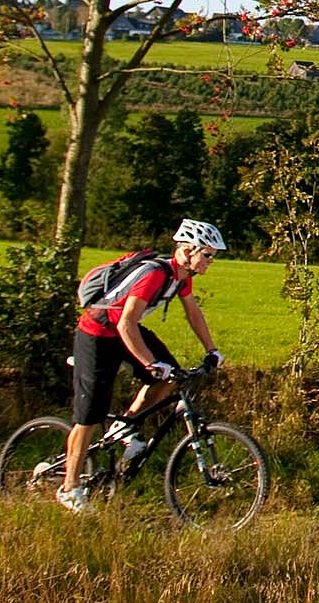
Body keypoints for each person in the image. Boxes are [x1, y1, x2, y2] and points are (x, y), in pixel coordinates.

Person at [58, 218, 227, 512]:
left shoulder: (181, 277)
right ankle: (69, 487)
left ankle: (124, 426)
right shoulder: (154, 275)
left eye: (213, 256)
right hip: (97, 334)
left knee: (172, 377)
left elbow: (193, 313)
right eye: (208, 254)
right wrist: (150, 363)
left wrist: (212, 350)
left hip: (125, 331)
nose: (211, 261)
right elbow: (126, 323)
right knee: (89, 415)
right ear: (188, 251)